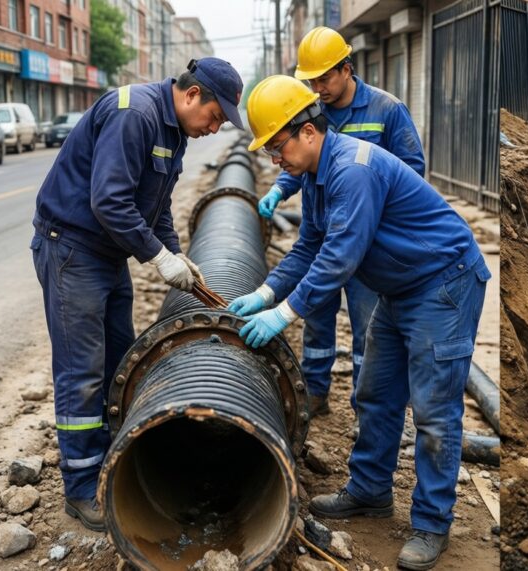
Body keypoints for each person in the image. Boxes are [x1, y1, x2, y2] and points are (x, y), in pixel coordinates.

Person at [229, 75, 488, 570]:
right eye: (269, 151)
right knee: (376, 393)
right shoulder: (316, 176)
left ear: (308, 131)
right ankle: (370, 490)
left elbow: (339, 258)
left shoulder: (353, 169)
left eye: (277, 146)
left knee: (434, 411)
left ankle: (432, 523)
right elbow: (309, 246)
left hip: (443, 284)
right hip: (401, 287)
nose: (275, 159)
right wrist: (264, 293)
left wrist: (284, 314)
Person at [30, 58, 244, 530]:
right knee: (82, 372)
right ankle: (81, 486)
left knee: (119, 360)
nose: (214, 128)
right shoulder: (135, 113)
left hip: (107, 254)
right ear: (193, 95)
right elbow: (109, 201)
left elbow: (156, 206)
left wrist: (176, 253)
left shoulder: (174, 132)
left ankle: (112, 455)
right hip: (72, 250)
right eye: (215, 117)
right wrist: (158, 258)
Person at [256, 26, 425, 417]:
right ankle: (314, 391)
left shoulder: (386, 109)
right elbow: (302, 161)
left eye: (324, 78)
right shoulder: (312, 112)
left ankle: (366, 404)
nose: (318, 88)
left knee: (368, 326)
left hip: (369, 242)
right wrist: (281, 189)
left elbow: (411, 171)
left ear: (347, 69)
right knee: (315, 312)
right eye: (311, 81)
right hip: (325, 229)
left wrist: (370, 215)